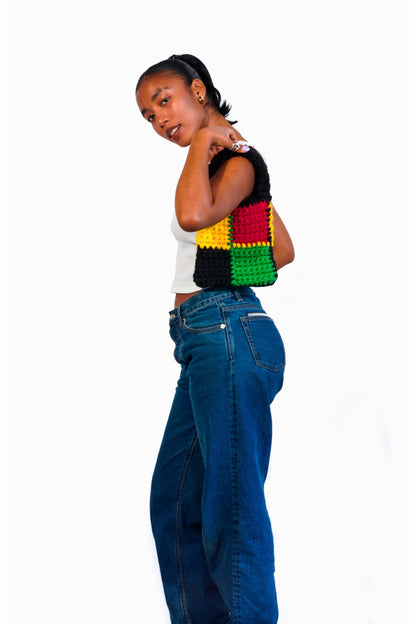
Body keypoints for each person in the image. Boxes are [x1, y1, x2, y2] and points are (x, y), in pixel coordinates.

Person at [135, 53, 295, 624]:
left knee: (232, 509)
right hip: (207, 342)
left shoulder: (232, 160)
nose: (158, 119)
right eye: (148, 116)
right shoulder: (229, 163)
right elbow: (278, 251)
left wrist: (206, 144)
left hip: (226, 332)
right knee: (174, 504)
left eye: (164, 100)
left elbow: (191, 212)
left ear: (198, 90)